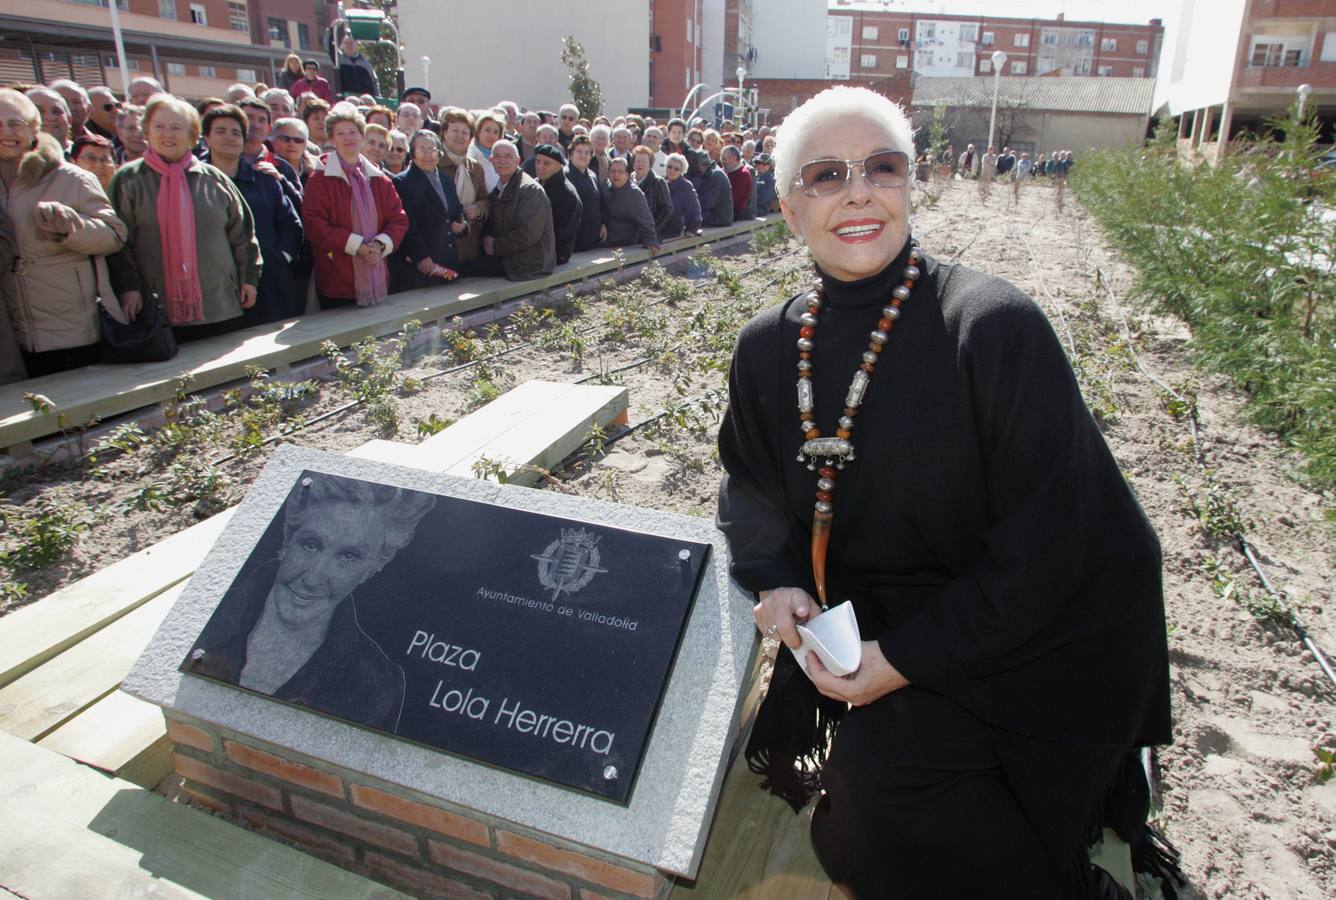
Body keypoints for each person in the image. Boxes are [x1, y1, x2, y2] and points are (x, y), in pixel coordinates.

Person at [718, 86, 1171, 899]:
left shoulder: (990, 327)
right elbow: (749, 481)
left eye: (881, 168)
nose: (858, 191)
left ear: (909, 184)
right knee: (863, 807)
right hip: (889, 638)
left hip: (1033, 643)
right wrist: (780, 574)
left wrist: (905, 661)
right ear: (788, 209)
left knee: (879, 797)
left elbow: (1049, 553)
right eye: (826, 175)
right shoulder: (767, 348)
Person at [184, 473, 436, 733]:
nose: (313, 579)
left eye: (348, 556)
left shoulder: (376, 685)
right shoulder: (208, 623)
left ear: (374, 567)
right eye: (311, 545)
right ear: (288, 537)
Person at [107, 94, 260, 343]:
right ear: (147, 131)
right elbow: (118, 242)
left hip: (218, 301)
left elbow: (243, 234)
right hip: (156, 306)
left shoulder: (213, 179)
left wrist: (248, 279)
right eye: (160, 126)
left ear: (192, 135)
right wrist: (128, 287)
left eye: (177, 127)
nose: (168, 134)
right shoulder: (129, 180)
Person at [0, 89, 127, 377]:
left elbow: (114, 236)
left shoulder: (70, 177)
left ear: (33, 128)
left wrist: (71, 227)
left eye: (15, 123)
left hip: (71, 328)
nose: (6, 133)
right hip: (12, 335)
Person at [201, 105, 302, 325]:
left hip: (269, 287)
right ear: (206, 137)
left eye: (235, 132)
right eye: (220, 131)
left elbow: (291, 225)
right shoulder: (193, 183)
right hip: (215, 289)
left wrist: (279, 259)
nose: (229, 137)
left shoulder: (265, 179)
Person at [302, 103, 408, 309]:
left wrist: (379, 245)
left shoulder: (379, 179)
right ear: (332, 139)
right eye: (340, 133)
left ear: (361, 136)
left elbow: (398, 220)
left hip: (377, 275)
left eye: (353, 132)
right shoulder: (320, 178)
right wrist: (355, 246)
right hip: (338, 279)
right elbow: (315, 225)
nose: (348, 138)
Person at [391, 129, 467, 291]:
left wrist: (462, 227)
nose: (428, 154)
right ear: (413, 153)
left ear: (439, 153)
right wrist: (421, 256)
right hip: (424, 264)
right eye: (422, 149)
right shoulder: (402, 182)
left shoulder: (447, 180)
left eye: (432, 149)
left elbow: (456, 212)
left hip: (448, 260)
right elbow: (409, 223)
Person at [467, 140, 553, 281]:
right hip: (509, 255)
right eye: (497, 156)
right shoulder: (501, 186)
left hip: (528, 263)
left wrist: (495, 245)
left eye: (508, 156)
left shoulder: (530, 190)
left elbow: (527, 234)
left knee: (463, 271)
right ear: (491, 160)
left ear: (518, 160)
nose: (502, 161)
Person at [439, 107, 489, 264]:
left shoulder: (475, 167)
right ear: (444, 133)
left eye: (465, 132)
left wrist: (479, 209)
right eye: (455, 130)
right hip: (441, 244)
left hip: (469, 245)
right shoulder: (433, 163)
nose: (459, 136)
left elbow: (485, 199)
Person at [532, 144, 581, 266]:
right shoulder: (536, 183)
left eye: (546, 163)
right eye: (537, 162)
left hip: (555, 254)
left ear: (558, 166)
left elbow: (561, 235)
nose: (540, 166)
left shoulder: (567, 194)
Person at [600, 157, 658, 252]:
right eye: (613, 171)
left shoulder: (634, 194)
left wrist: (651, 240)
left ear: (627, 174)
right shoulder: (604, 188)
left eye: (620, 172)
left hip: (625, 244)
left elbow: (645, 219)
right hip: (604, 243)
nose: (616, 175)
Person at [566, 135, 605, 252]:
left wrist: (603, 223)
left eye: (587, 152)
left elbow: (600, 202)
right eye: (579, 151)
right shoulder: (564, 176)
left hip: (593, 239)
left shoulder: (593, 175)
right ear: (571, 154)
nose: (583, 155)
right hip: (573, 242)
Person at [631, 144, 672, 242]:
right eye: (638, 161)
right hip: (630, 234)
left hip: (650, 236)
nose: (640, 164)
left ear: (650, 165)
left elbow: (667, 209)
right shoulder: (628, 180)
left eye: (644, 162)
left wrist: (652, 228)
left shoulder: (658, 182)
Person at [688, 148, 733, 228]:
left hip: (719, 218)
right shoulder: (709, 173)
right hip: (713, 215)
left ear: (700, 165)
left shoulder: (716, 176)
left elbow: (706, 204)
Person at [663, 152, 702, 238]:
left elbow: (695, 210)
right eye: (669, 167)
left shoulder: (685, 186)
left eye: (676, 169)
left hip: (673, 232)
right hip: (660, 228)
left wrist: (691, 230)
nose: (672, 170)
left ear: (681, 171)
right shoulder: (662, 182)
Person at [271, 117, 315, 185]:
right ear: (273, 141)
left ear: (305, 145)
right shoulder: (266, 169)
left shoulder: (316, 171)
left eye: (298, 140)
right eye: (285, 139)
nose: (292, 144)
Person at [468, 111, 505, 193]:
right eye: (487, 130)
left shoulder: (502, 158)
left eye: (496, 132)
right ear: (478, 132)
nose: (491, 136)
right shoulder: (470, 157)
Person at [26, 87, 71, 152]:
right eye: (40, 111)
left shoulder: (87, 154)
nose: (50, 117)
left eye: (56, 111)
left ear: (69, 119)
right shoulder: (15, 160)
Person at [722, 145, 756, 221]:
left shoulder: (743, 174)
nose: (722, 162)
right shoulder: (727, 170)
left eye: (724, 159)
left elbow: (733, 198)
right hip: (727, 210)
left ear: (733, 159)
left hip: (738, 214)